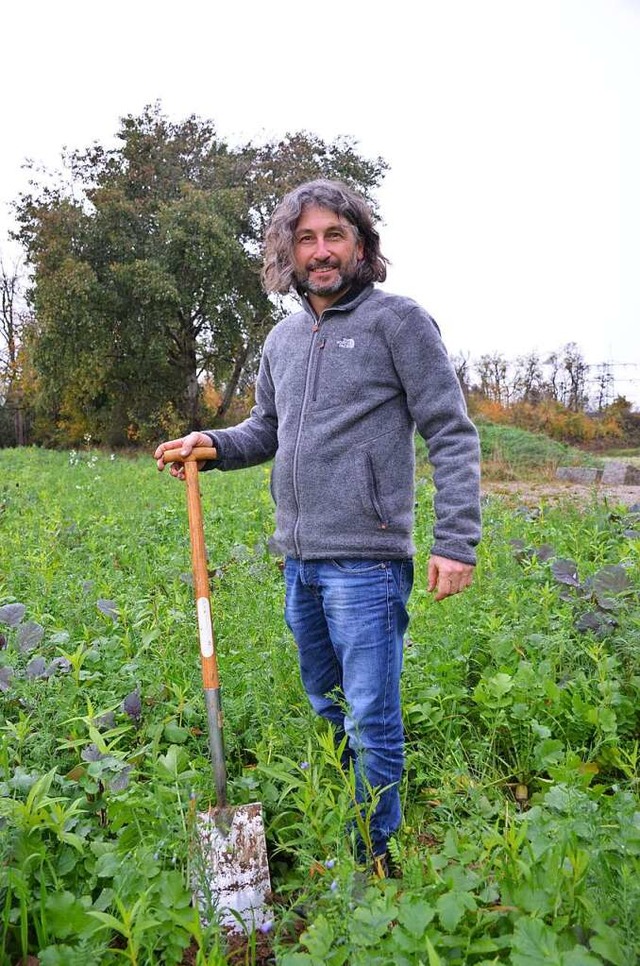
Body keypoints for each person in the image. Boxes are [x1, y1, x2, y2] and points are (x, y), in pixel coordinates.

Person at [154, 179, 481, 874]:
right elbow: (266, 431)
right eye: (307, 238)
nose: (322, 251)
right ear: (288, 252)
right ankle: (358, 808)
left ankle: (374, 858)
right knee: (325, 702)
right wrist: (206, 444)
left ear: (361, 244)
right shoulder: (283, 338)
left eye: (336, 235)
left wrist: (457, 541)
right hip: (300, 559)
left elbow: (450, 433)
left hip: (366, 561)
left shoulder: (400, 323)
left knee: (370, 716)